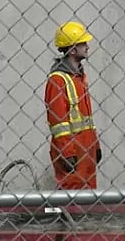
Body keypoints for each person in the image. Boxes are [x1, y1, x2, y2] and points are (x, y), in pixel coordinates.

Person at [44, 21, 101, 190]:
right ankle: (63, 217)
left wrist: (95, 145)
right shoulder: (58, 81)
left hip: (86, 147)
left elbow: (86, 119)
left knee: (88, 197)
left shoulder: (79, 78)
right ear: (73, 49)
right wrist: (67, 153)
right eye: (83, 43)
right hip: (73, 150)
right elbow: (58, 123)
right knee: (73, 198)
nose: (87, 47)